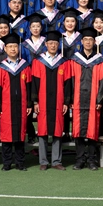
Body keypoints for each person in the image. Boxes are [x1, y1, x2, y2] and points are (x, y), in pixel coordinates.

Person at [65, 28, 103, 171]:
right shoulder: (75, 60)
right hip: (77, 101)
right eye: (86, 40)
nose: (88, 42)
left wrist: (100, 100)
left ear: (94, 42)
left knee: (92, 131)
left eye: (91, 40)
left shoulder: (100, 61)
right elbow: (70, 81)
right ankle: (79, 160)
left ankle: (91, 160)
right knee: (78, 131)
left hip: (93, 102)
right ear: (82, 42)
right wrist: (70, 100)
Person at [0, 33, 32, 171]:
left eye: (15, 46)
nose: (13, 49)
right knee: (6, 134)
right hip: (6, 106)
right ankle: (7, 163)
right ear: (5, 49)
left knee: (20, 134)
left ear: (18, 48)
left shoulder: (25, 66)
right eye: (10, 46)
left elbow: (29, 86)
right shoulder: (1, 67)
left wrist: (29, 104)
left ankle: (20, 163)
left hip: (21, 105)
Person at [30, 31, 68, 171]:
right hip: (43, 101)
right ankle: (43, 161)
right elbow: (34, 83)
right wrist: (35, 102)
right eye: (50, 43)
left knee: (58, 131)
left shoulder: (64, 62)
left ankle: (56, 161)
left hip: (59, 101)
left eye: (55, 43)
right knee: (43, 131)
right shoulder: (38, 61)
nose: (53, 45)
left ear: (58, 45)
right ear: (45, 44)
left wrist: (66, 102)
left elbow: (68, 84)